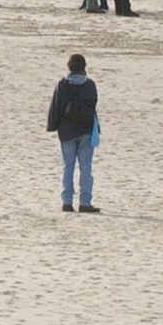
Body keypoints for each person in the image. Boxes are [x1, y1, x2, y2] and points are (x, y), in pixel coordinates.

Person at [46, 53, 99, 213]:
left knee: (67, 167)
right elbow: (93, 104)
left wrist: (52, 126)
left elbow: (55, 107)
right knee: (86, 168)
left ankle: (67, 202)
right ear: (84, 67)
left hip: (66, 132)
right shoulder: (90, 85)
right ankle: (85, 202)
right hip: (86, 130)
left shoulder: (62, 85)